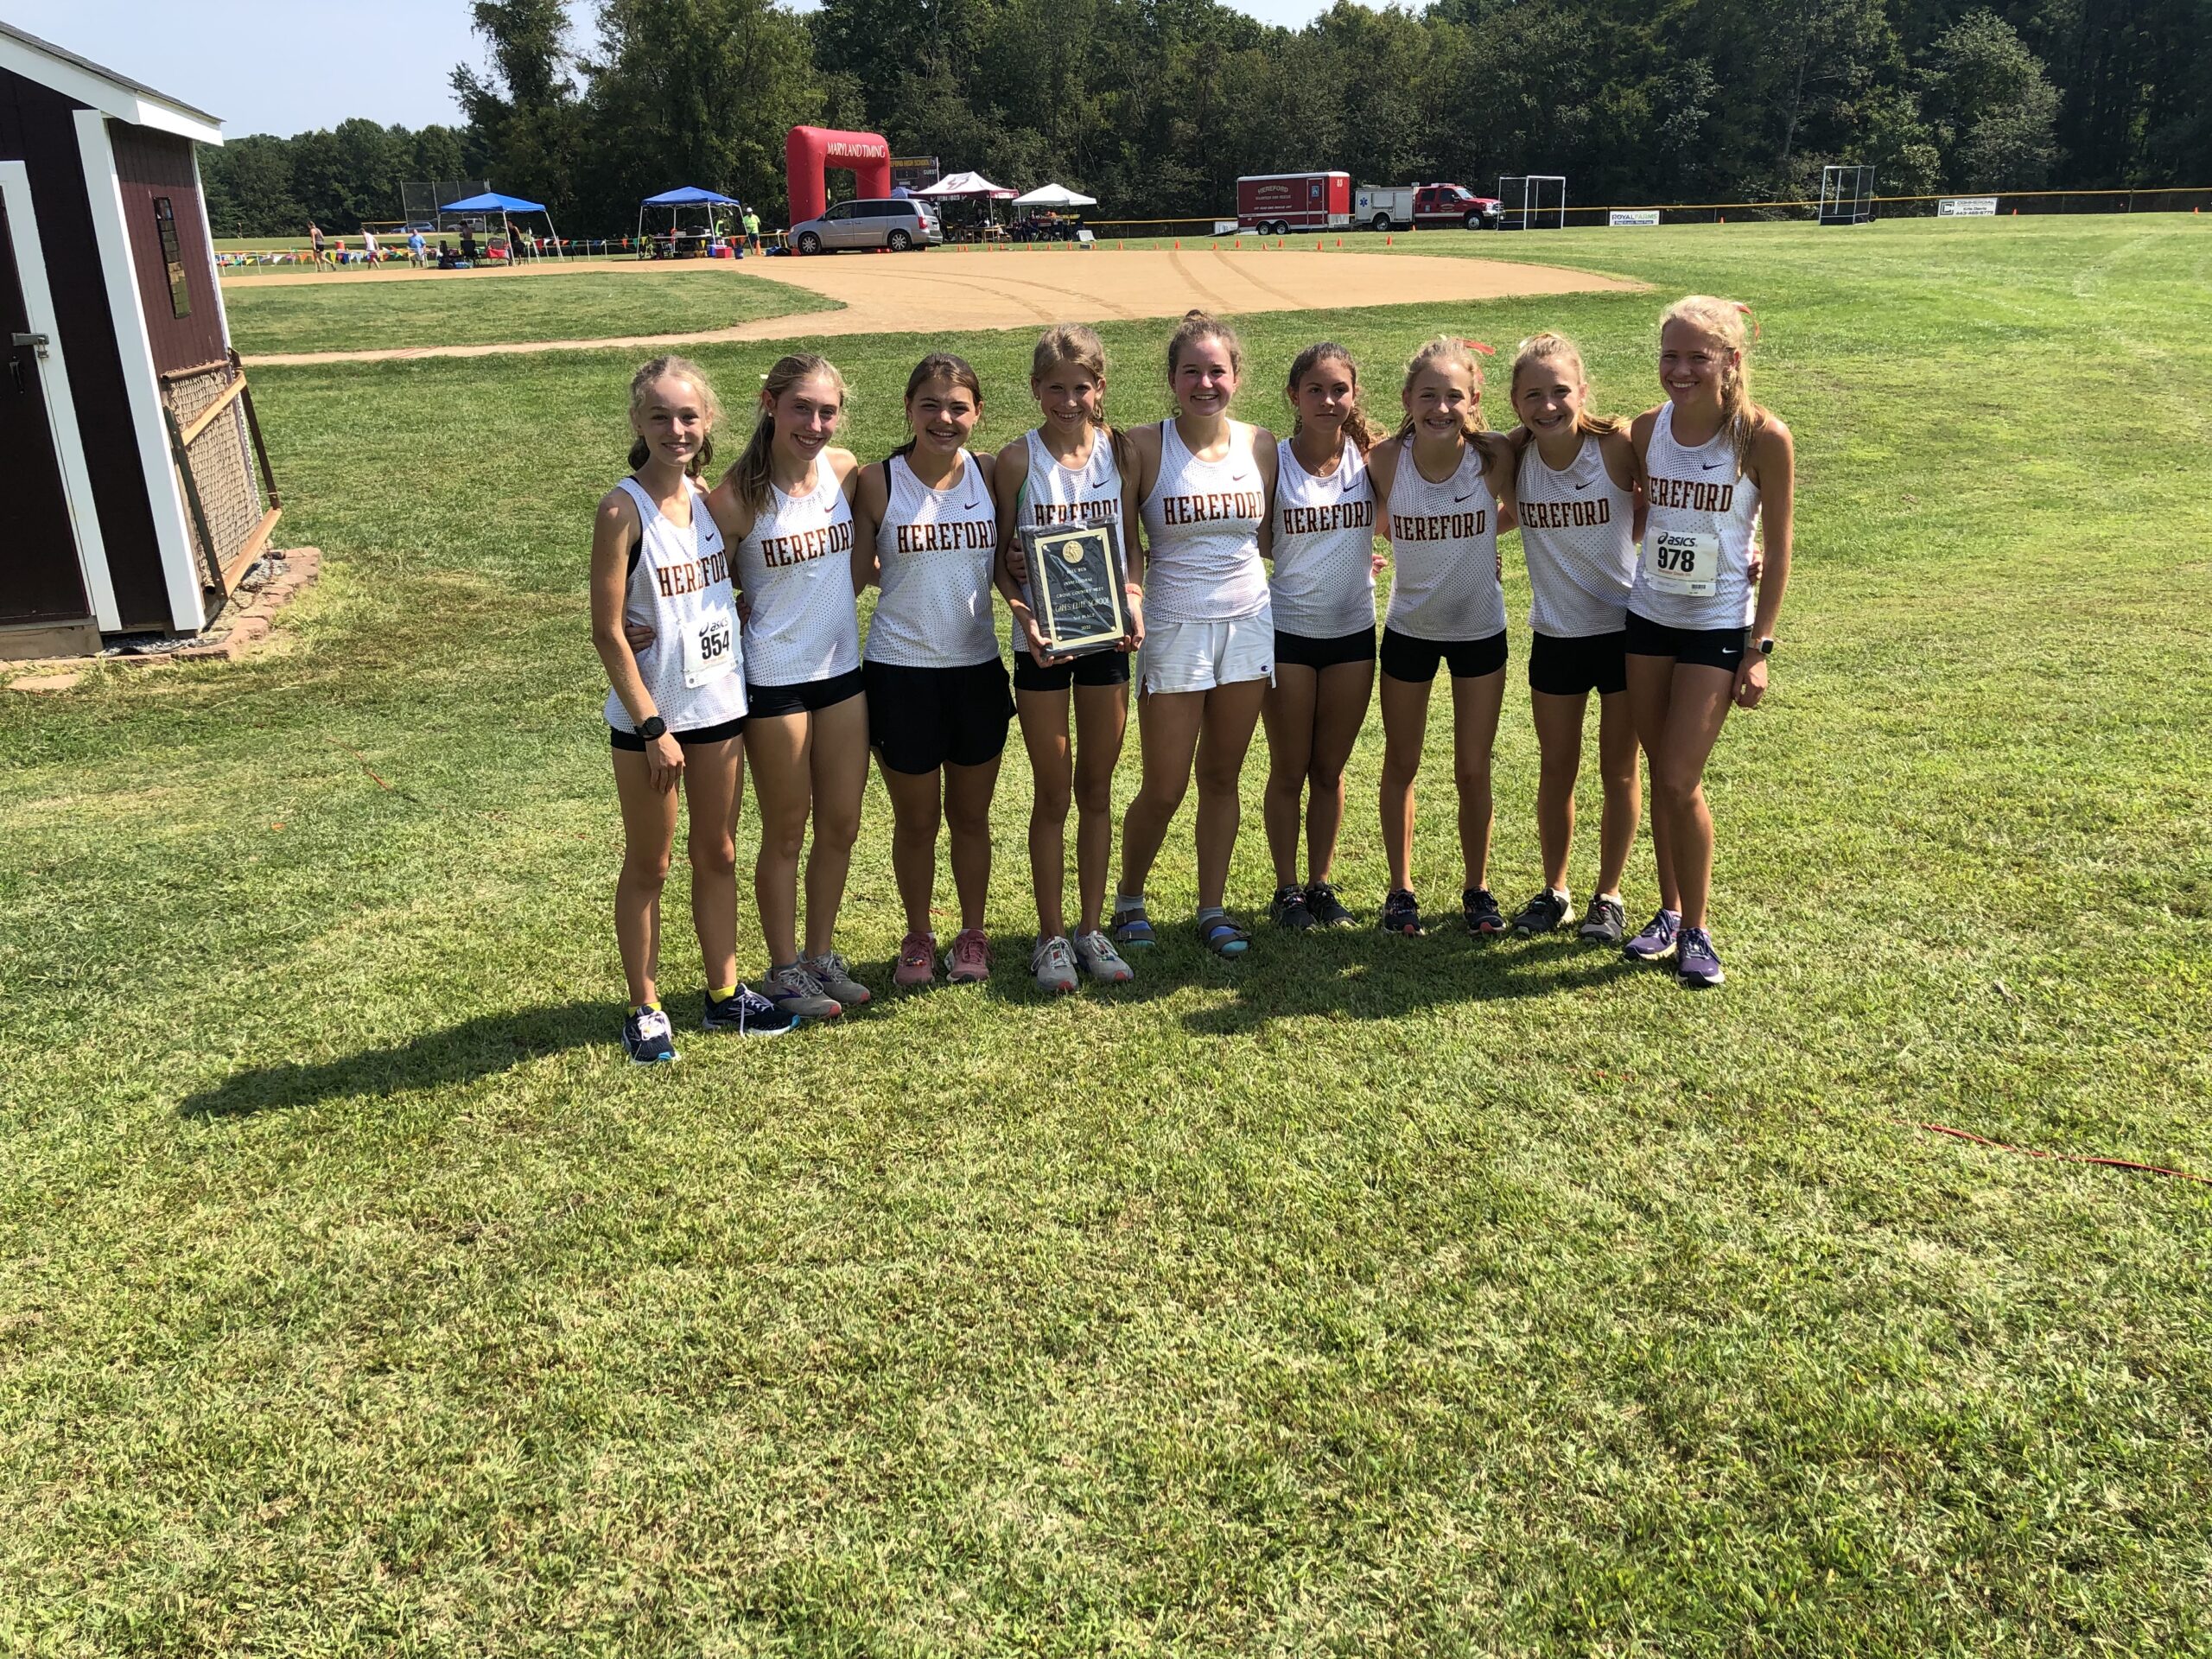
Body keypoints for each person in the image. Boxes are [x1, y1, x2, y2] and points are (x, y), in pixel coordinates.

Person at [590, 356, 798, 1063]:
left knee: (719, 853)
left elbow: (713, 589)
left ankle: (723, 994)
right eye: (660, 417)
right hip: (655, 724)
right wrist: (651, 726)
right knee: (651, 863)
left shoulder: (705, 498)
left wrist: (729, 603)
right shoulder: (622, 508)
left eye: (688, 416)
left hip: (719, 707)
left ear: (709, 422)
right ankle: (645, 1008)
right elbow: (608, 630)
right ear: (638, 423)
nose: (675, 429)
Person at [1623, 296, 1794, 987]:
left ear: (1732, 360)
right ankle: (1665, 912)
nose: (1682, 369)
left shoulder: (1761, 437)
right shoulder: (1644, 429)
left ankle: (1697, 928)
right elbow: (1636, 512)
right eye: (1671, 355)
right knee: (1658, 770)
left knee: (1677, 777)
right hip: (1647, 619)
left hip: (1717, 625)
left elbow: (1779, 550)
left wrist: (1761, 647)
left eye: (1699, 356)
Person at [712, 353, 874, 1020]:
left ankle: (820, 956)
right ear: (769, 404)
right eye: (801, 408)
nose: (815, 424)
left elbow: (867, 554)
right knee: (787, 830)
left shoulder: (844, 471)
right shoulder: (735, 498)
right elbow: (700, 586)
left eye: (827, 411)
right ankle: (782, 971)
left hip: (842, 672)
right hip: (774, 679)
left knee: (841, 824)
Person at [1112, 310, 1277, 958]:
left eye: (1217, 370)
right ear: (1172, 379)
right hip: (1175, 626)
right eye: (1192, 372)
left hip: (1247, 625)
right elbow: (1119, 537)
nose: (1205, 383)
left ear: (1236, 375)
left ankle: (1212, 908)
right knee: (1164, 784)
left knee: (1222, 777)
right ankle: (1129, 898)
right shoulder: (1143, 446)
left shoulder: (1260, 444)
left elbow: (1268, 538)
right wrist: (1128, 593)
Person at [854, 353, 1011, 988]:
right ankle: (918, 935)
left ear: (976, 413)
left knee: (972, 819)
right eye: (931, 406)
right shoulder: (877, 481)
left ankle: (972, 934)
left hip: (976, 670)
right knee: (916, 822)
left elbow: (1013, 558)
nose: (944, 419)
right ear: (909, 409)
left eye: (958, 407)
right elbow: (844, 568)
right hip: (900, 673)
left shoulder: (991, 472)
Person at [994, 324, 1141, 994]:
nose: (1069, 400)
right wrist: (1021, 609)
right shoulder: (1016, 461)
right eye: (1055, 388)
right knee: (1053, 792)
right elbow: (1001, 558)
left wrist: (1133, 596)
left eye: (1081, 387)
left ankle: (1090, 927)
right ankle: (1051, 935)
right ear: (1036, 390)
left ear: (1100, 388)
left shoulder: (1121, 451)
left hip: (1108, 641)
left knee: (1097, 790)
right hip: (1046, 647)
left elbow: (1132, 543)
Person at [1368, 335, 1517, 938]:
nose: (1440, 407)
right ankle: (1400, 892)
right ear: (1407, 397)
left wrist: (1483, 536)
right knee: (1400, 763)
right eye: (1427, 395)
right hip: (1410, 630)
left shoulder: (1496, 454)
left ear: (1473, 397)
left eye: (1454, 395)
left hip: (1481, 630)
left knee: (1472, 768)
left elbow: (1525, 503)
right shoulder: (1383, 459)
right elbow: (1369, 519)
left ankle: (1477, 888)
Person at [1504, 331, 1645, 944]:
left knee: (1619, 769)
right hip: (1555, 636)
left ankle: (1608, 895)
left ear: (1582, 391)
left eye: (1560, 391)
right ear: (1514, 401)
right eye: (1533, 394)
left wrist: (1736, 551)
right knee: (1556, 767)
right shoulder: (1512, 455)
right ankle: (1556, 890)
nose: (1548, 405)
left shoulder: (1616, 446)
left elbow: (1677, 495)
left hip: (1624, 633)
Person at [1261, 341, 1383, 931]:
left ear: (1354, 395)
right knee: (1289, 769)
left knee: (1329, 771)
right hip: (1288, 631)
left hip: (1353, 633)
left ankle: (1320, 884)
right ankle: (1287, 890)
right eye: (1316, 390)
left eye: (1339, 389)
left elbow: (1420, 505)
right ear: (1294, 396)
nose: (1328, 400)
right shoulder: (1272, 460)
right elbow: (1249, 539)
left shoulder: (1374, 460)